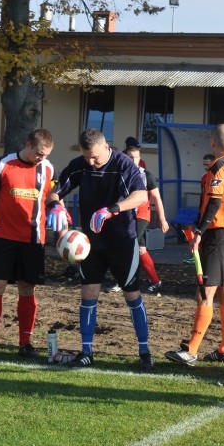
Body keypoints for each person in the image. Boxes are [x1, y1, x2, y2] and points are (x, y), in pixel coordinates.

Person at [46, 128, 154, 370]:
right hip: (91, 244)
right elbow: (55, 190)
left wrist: (111, 209)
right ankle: (86, 352)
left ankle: (145, 351)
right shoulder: (79, 165)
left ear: (106, 147)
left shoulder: (123, 164)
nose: (91, 162)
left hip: (122, 242)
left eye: (95, 157)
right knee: (88, 294)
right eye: (87, 157)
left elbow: (140, 196)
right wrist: (55, 206)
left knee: (132, 295)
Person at [165, 124, 224, 366]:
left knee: (205, 292)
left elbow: (214, 201)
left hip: (217, 234)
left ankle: (191, 350)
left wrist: (199, 232)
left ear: (213, 143)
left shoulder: (218, 167)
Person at [0, 129, 56, 360]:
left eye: (46, 154)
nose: (42, 158)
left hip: (33, 240)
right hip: (3, 238)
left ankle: (25, 343)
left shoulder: (48, 168)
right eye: (39, 153)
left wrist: (58, 210)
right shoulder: (2, 164)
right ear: (27, 145)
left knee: (27, 289)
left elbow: (52, 196)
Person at [124, 145, 169, 295]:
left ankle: (125, 281)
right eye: (129, 157)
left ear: (139, 159)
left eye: (135, 157)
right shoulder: (120, 174)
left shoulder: (145, 175)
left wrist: (162, 219)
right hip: (126, 215)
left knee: (128, 244)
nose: (132, 160)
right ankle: (156, 282)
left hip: (142, 215)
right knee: (140, 249)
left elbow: (157, 198)